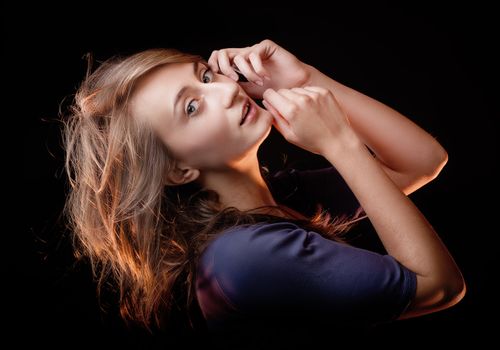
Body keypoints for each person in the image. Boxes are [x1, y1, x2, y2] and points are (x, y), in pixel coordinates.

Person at [62, 39, 465, 345]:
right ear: (178, 170)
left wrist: (306, 79)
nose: (225, 90)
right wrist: (338, 143)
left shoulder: (277, 200)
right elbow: (439, 287)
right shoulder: (243, 256)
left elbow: (421, 161)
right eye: (190, 108)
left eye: (204, 75)